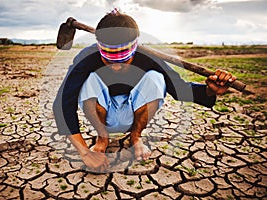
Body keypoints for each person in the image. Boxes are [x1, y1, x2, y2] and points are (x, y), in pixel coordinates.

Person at [53, 9, 236, 173]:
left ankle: (135, 138)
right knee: (89, 79)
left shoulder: (149, 58)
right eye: (109, 61)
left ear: (134, 48)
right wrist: (85, 153)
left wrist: (210, 91)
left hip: (135, 113)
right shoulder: (87, 57)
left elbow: (180, 89)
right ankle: (102, 139)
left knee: (156, 77)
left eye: (123, 60)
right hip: (103, 114)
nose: (116, 68)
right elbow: (62, 104)